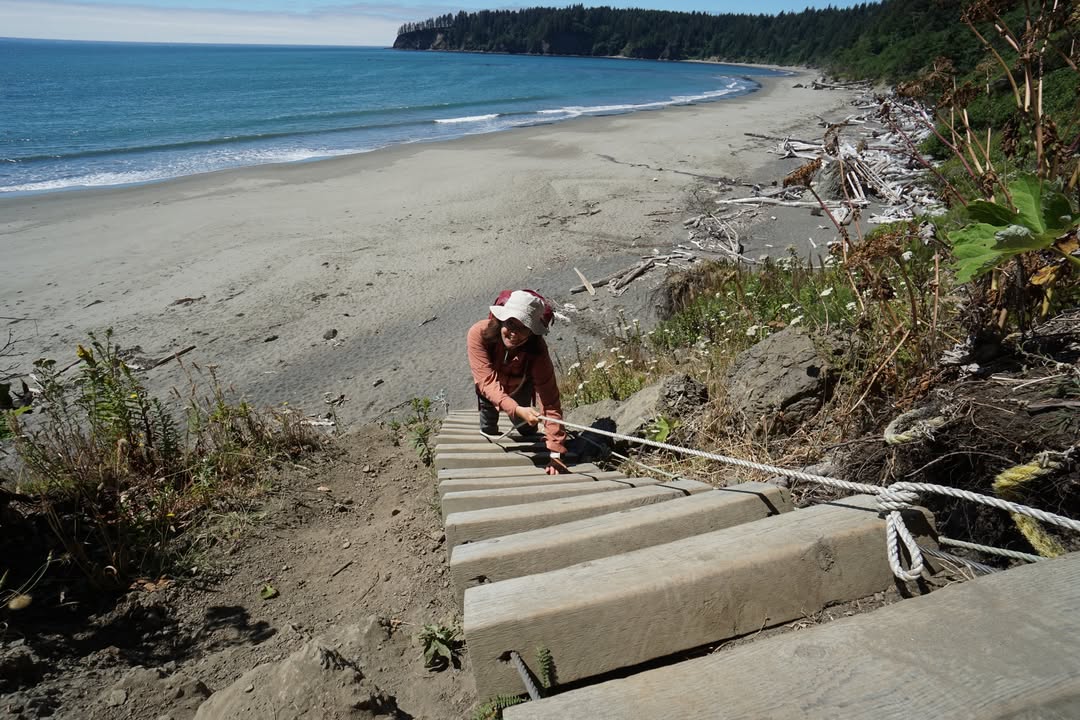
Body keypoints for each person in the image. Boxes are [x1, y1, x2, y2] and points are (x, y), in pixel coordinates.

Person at [466, 290, 568, 475]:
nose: (514, 333)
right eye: (511, 323)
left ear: (532, 332)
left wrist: (556, 453)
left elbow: (550, 400)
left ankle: (523, 425)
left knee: (528, 430)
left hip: (520, 386)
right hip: (489, 391)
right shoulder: (479, 334)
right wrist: (517, 409)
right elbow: (486, 382)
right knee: (488, 430)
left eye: (524, 328)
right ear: (501, 320)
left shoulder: (537, 351)